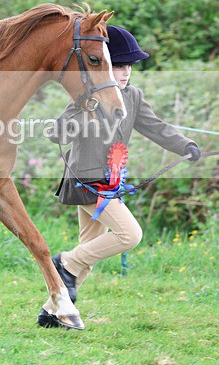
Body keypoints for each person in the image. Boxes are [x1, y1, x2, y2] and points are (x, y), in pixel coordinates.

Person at [39, 25, 200, 328]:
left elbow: (156, 127)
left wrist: (184, 145)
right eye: (119, 65)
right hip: (85, 182)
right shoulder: (87, 96)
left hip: (111, 182)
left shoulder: (133, 96)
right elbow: (57, 134)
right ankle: (64, 263)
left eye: (129, 66)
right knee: (129, 235)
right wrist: (82, 110)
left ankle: (53, 312)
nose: (125, 72)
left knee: (89, 253)